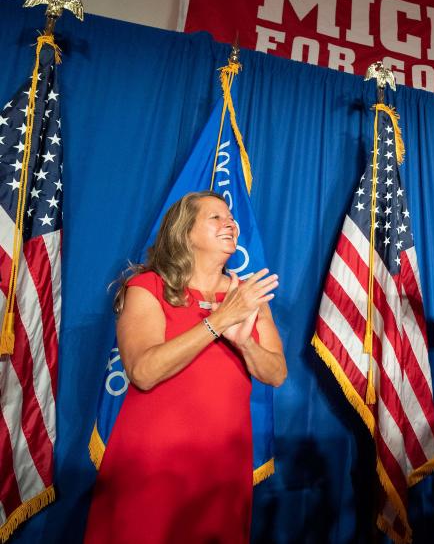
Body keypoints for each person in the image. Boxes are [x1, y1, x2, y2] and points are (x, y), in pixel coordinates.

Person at [84, 191, 287, 544]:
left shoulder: (247, 295)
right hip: (154, 461)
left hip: (222, 464)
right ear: (185, 232)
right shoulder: (148, 287)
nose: (231, 224)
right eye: (216, 217)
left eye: (231, 219)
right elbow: (144, 372)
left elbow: (276, 373)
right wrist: (218, 322)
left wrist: (245, 342)